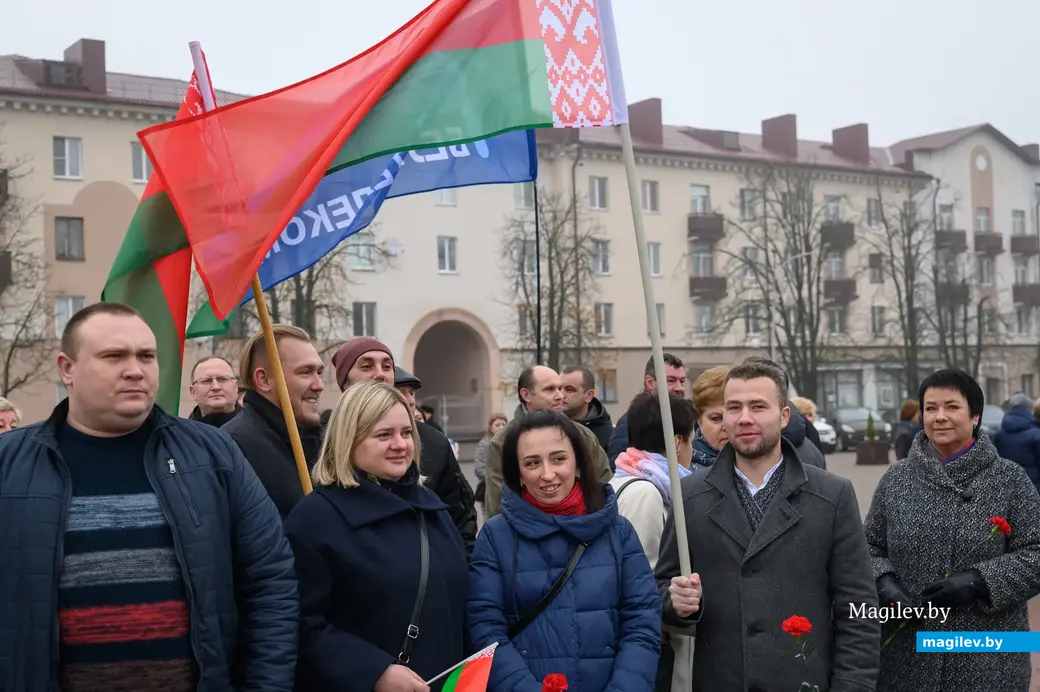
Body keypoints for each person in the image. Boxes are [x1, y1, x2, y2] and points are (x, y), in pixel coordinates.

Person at [0, 302, 297, 691]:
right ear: (67, 368)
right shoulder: (10, 466)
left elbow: (270, 581)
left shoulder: (213, 455)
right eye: (114, 356)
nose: (135, 369)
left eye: (146, 356)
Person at [657, 358, 879, 690]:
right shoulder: (689, 496)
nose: (744, 418)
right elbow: (661, 588)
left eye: (758, 406)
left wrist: (851, 685)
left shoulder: (832, 496)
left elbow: (858, 610)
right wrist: (675, 603)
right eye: (733, 407)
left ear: (784, 416)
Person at [285, 380, 468, 692]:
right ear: (349, 440)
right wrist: (373, 672)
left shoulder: (432, 510)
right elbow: (298, 625)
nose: (400, 444)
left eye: (406, 432)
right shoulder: (315, 520)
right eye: (384, 434)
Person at [864, 369, 1040, 692]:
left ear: (975, 416)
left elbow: (1036, 553)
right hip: (907, 654)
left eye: (952, 407)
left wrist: (980, 581)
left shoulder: (1010, 480)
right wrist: (884, 582)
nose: (939, 417)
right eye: (930, 409)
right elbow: (869, 547)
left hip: (987, 657)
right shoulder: (897, 479)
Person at [468, 410, 661, 691]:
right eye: (532, 463)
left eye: (559, 458)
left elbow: (642, 622)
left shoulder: (618, 532)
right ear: (518, 473)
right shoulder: (496, 537)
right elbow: (485, 628)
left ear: (579, 464)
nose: (547, 474)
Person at [331, 338, 477, 558]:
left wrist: (460, 569)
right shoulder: (325, 441)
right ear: (344, 382)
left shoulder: (433, 442)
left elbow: (460, 518)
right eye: (367, 365)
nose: (380, 374)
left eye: (387, 366)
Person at [610, 391, 697, 692]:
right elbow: (641, 578)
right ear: (677, 442)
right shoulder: (645, 492)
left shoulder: (628, 477)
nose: (692, 450)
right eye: (691, 439)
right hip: (647, 646)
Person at [222, 325, 325, 518]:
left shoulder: (318, 441)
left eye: (319, 372)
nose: (319, 385)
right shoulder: (233, 447)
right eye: (305, 372)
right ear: (264, 380)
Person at [483, 365, 612, 519]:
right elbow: (497, 503)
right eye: (550, 389)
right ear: (526, 395)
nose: (560, 396)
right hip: (526, 534)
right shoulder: (502, 442)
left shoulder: (583, 435)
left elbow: (604, 484)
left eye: (560, 388)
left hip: (582, 530)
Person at [608, 353, 686, 463]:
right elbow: (619, 467)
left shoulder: (685, 422)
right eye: (671, 381)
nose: (679, 388)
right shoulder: (629, 424)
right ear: (650, 383)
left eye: (682, 381)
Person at [994, 392, 1040, 493]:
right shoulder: (1036, 434)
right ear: (1028, 409)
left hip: (1007, 488)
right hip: (1033, 489)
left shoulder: (999, 435)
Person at [561, 364, 614, 452]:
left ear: (589, 395)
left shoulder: (608, 436)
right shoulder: (549, 426)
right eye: (559, 388)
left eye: (570, 389)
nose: (561, 395)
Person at [689, 365, 729, 469]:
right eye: (716, 418)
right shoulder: (683, 472)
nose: (726, 426)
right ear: (699, 420)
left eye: (732, 415)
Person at [187, 355, 241, 426]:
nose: (216, 387)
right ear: (193, 392)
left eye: (223, 379)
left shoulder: (257, 429)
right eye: (206, 381)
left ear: (236, 387)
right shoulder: (179, 434)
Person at [474, 412, 508, 507]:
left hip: (508, 489)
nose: (501, 427)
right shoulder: (484, 444)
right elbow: (479, 468)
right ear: (491, 428)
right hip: (489, 490)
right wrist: (493, 478)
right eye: (497, 425)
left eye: (504, 425)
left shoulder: (510, 443)